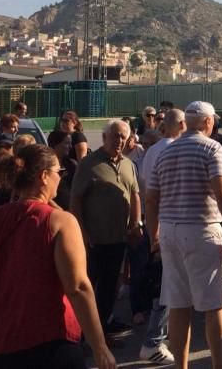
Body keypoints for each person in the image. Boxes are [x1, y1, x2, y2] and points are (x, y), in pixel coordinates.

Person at [0, 145, 115, 369]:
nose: (60, 179)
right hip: (43, 340)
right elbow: (78, 287)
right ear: (44, 176)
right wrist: (100, 347)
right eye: (58, 173)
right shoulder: (60, 221)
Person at [144, 101, 222, 369]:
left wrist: (154, 235)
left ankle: (181, 366)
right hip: (202, 229)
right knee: (214, 306)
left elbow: (151, 199)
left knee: (178, 305)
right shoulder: (211, 148)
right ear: (208, 122)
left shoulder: (164, 153)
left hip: (170, 231)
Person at [70, 119, 141, 339]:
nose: (119, 140)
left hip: (118, 239)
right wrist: (81, 233)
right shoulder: (89, 164)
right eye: (115, 136)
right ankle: (80, 334)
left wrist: (135, 225)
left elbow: (135, 195)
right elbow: (76, 200)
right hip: (94, 240)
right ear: (104, 137)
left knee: (110, 289)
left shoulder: (128, 164)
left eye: (123, 136)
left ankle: (100, 333)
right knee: (88, 287)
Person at [135, 108, 186, 366]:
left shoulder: (152, 151)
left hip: (156, 223)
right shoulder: (177, 150)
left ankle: (159, 338)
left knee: (164, 283)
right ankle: (153, 342)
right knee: (169, 285)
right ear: (182, 125)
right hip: (174, 223)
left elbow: (146, 189)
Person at [48, 129, 78, 211]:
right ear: (55, 144)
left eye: (70, 143)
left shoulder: (72, 165)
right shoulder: (45, 166)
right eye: (66, 143)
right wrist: (59, 210)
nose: (70, 146)